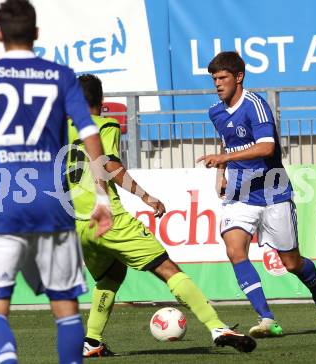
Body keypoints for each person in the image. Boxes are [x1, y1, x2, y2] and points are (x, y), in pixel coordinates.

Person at [0, 1, 112, 363]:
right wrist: (102, 197)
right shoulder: (61, 76)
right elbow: (89, 131)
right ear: (36, 34)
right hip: (51, 204)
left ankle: (7, 359)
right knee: (65, 308)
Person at [66, 73, 257, 357]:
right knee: (168, 269)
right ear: (102, 101)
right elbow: (108, 164)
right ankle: (218, 327)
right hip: (108, 218)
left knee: (111, 275)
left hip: (77, 224)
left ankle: (91, 341)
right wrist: (145, 196)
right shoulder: (104, 124)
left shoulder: (63, 132)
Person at [197, 51, 316, 338]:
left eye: (223, 78)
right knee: (234, 250)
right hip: (240, 193)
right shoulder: (216, 111)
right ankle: (266, 318)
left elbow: (266, 148)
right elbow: (227, 141)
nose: (218, 84)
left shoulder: (255, 105)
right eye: (214, 79)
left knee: (292, 263)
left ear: (239, 77)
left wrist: (223, 159)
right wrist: (220, 173)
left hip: (273, 192)